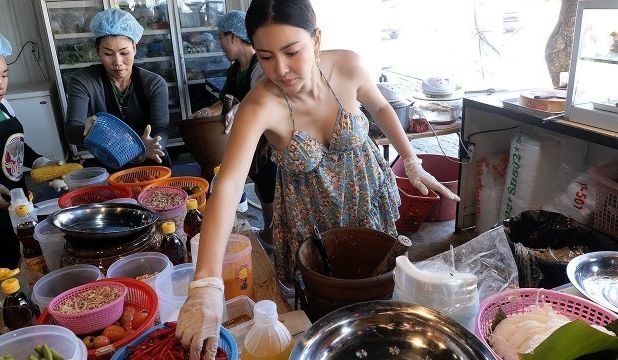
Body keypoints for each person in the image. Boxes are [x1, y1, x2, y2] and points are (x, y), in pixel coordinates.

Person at [176, 0, 459, 358]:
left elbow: (382, 107)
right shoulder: (260, 105)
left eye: (292, 52)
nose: (281, 70)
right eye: (265, 57)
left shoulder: (348, 65)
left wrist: (411, 159)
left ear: (317, 39)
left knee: (377, 279)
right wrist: (206, 284)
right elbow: (229, 186)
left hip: (365, 196)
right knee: (327, 298)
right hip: (312, 216)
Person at [192, 10, 276, 251]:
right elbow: (224, 101)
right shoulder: (235, 69)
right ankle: (268, 234)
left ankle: (273, 239)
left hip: (265, 143)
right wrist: (207, 112)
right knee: (259, 185)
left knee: (270, 189)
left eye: (220, 37)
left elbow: (262, 100)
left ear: (233, 36)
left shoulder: (261, 65)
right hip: (246, 140)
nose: (219, 44)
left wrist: (240, 109)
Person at [0, 24, 65, 268]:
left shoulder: (3, 106)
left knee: (27, 256)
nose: (1, 84)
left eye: (5, 75)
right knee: (2, 264)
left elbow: (15, 147)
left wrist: (40, 162)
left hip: (16, 202)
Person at [64, 9, 169, 169]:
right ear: (97, 50)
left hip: (151, 162)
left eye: (124, 52)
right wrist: (86, 129)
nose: (117, 62)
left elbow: (161, 128)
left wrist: (155, 145)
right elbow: (72, 131)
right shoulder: (83, 81)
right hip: (108, 163)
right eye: (108, 54)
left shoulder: (154, 83)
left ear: (134, 48)